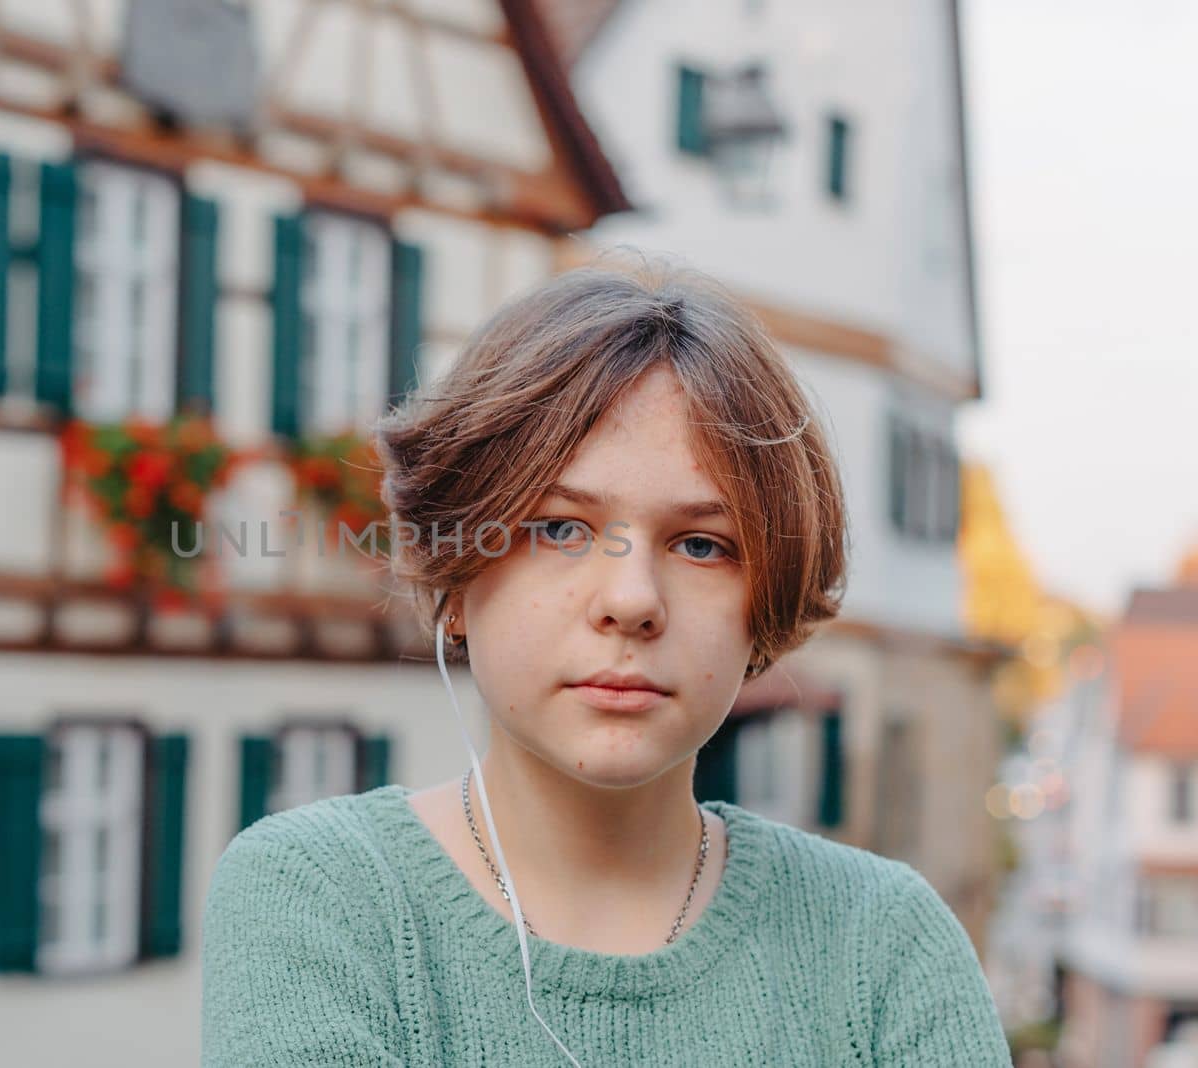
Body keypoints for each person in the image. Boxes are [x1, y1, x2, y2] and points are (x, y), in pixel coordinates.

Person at [199, 254, 1012, 1066]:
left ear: (764, 604)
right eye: (560, 528)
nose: (631, 600)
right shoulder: (320, 898)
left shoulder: (883, 946)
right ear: (454, 568)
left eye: (702, 545)